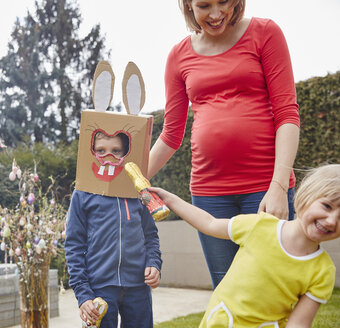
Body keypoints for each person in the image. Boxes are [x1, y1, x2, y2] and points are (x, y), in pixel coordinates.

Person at [148, 0, 301, 287]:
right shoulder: (178, 56)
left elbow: (287, 114)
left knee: (272, 289)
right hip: (209, 195)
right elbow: (171, 134)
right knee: (228, 290)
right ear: (188, 5)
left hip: (265, 189)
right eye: (205, 5)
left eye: (225, 2)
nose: (217, 14)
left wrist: (279, 187)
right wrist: (132, 180)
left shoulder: (265, 33)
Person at [149, 163, 339, 327]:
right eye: (327, 206)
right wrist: (170, 199)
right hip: (220, 322)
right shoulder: (259, 226)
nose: (331, 221)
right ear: (306, 197)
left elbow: (298, 324)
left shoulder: (322, 272)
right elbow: (210, 223)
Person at [65, 131, 162, 328]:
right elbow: (74, 245)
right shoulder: (83, 194)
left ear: (126, 153)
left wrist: (154, 262)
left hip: (138, 287)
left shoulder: (138, 192)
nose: (108, 157)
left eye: (116, 151)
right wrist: (83, 293)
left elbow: (150, 235)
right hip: (99, 287)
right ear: (91, 152)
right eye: (101, 150)